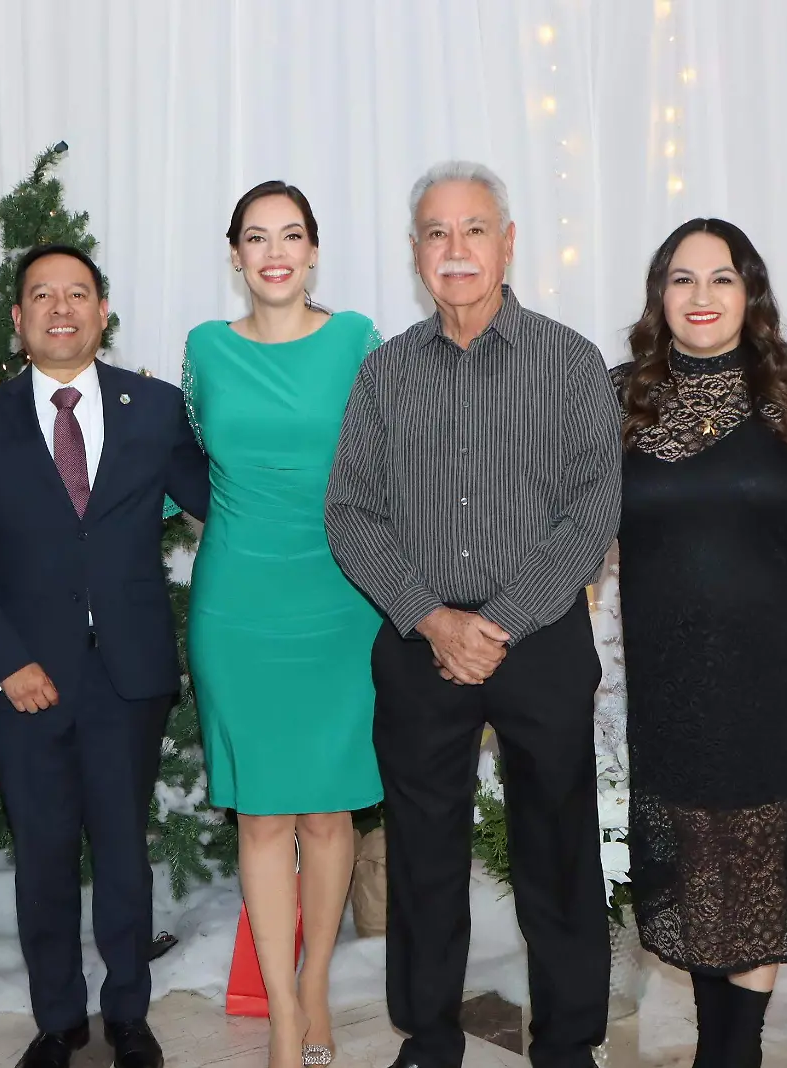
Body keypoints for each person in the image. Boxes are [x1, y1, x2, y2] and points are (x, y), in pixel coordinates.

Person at [324, 161, 624, 1068]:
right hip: (422, 646)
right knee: (421, 851)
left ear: (508, 242)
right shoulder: (384, 375)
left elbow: (594, 508)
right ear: (415, 253)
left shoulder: (570, 360)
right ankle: (429, 1032)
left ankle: (568, 1039)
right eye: (436, 233)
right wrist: (433, 619)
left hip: (539, 642)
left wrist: (498, 622)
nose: (456, 250)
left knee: (559, 846)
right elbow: (350, 511)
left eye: (474, 229)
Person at [0, 244, 210, 1068]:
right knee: (43, 853)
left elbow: (223, 500)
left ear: (102, 312)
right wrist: (5, 662)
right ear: (18, 320)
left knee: (123, 849)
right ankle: (58, 1019)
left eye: (78, 293)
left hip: (128, 674)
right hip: (25, 678)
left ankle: (128, 1011)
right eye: (42, 295)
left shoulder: (154, 408)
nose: (61, 307)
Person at [612, 219, 787, 1068]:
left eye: (721, 279)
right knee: (700, 863)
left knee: (755, 863)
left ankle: (731, 1054)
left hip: (776, 674)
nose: (701, 297)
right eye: (682, 279)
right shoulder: (618, 399)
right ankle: (721, 1048)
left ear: (751, 293)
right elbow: (558, 518)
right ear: (658, 295)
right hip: (671, 678)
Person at [184, 181, 385, 1068]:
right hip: (238, 604)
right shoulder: (205, 350)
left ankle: (313, 988)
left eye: (290, 235)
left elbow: (386, 462)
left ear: (312, 252)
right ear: (234, 255)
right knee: (262, 815)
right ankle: (280, 1014)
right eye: (255, 237)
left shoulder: (356, 339)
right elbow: (188, 457)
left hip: (341, 598)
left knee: (328, 811)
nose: (273, 251)